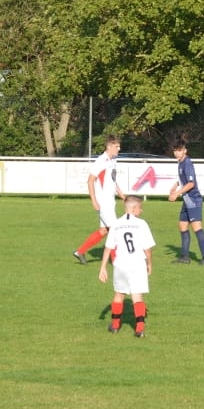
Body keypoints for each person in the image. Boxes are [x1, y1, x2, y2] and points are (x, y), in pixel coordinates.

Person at [99, 193, 155, 337]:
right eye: (140, 208)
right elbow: (147, 248)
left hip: (120, 265)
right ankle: (139, 329)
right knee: (137, 296)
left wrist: (103, 267)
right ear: (134, 208)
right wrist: (149, 263)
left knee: (119, 295)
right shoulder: (141, 224)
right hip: (137, 264)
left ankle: (115, 325)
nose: (141, 210)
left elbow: (108, 247)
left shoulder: (116, 224)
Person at [73, 135, 121, 264]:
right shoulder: (101, 161)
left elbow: (112, 180)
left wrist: (121, 194)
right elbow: (90, 181)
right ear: (109, 147)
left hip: (110, 201)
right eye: (116, 146)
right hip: (103, 202)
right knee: (114, 230)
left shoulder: (113, 160)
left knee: (104, 230)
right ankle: (116, 261)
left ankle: (80, 251)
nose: (119, 149)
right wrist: (94, 200)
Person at [167, 138, 204, 265]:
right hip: (187, 200)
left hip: (193, 200)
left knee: (197, 227)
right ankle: (185, 257)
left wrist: (176, 193)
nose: (177, 153)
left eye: (179, 150)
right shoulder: (180, 163)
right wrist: (176, 184)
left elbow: (191, 183)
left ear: (185, 151)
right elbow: (184, 179)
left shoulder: (187, 163)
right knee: (182, 225)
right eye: (175, 151)